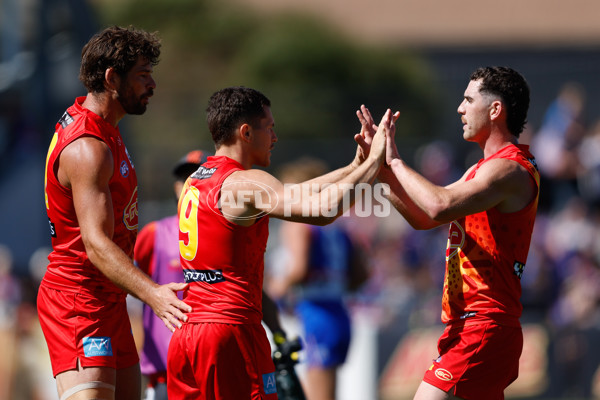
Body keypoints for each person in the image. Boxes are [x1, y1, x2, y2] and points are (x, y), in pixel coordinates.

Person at [167, 86, 394, 399]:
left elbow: (297, 194)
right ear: (246, 132)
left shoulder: (196, 179)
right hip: (231, 332)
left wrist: (355, 166)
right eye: (269, 128)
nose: (275, 137)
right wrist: (375, 165)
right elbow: (321, 211)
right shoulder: (245, 182)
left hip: (189, 334)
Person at [356, 66, 540, 400]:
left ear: (495, 110)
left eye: (469, 100)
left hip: (483, 323)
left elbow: (439, 205)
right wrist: (381, 171)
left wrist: (395, 160)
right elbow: (425, 218)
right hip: (472, 324)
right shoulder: (482, 169)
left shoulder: (509, 169)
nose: (460, 108)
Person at [39, 26, 191, 400]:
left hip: (108, 296)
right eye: (142, 75)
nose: (152, 84)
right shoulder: (89, 148)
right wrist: (154, 293)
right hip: (77, 300)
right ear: (111, 78)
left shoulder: (105, 128)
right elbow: (95, 244)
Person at [266, 157, 370, 400]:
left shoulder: (299, 225)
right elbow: (361, 275)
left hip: (316, 313)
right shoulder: (339, 227)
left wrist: (275, 291)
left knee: (318, 394)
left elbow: (299, 268)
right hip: (340, 312)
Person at [134, 150, 209, 400]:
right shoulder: (155, 233)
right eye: (184, 179)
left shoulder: (229, 235)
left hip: (213, 365)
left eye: (198, 177)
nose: (189, 184)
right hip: (166, 371)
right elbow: (128, 284)